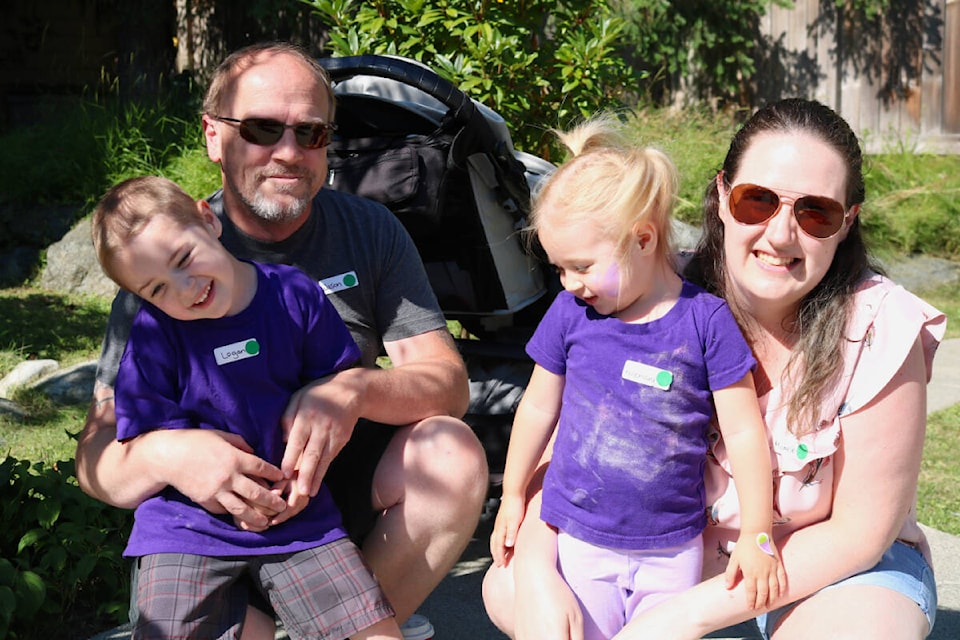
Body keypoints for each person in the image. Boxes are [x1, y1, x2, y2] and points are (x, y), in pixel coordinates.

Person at [482, 98, 946, 640]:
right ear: (724, 195)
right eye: (758, 201)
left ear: (846, 223)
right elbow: (572, 454)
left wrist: (682, 616)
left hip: (824, 573)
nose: (779, 234)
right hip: (670, 560)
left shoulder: (879, 327)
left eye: (815, 212)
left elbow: (861, 533)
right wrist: (538, 568)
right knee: (513, 586)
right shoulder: (644, 294)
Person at [75, 41, 488, 639]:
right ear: (213, 135)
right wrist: (168, 454)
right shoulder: (159, 264)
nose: (288, 152)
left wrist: (352, 391)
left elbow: (447, 386)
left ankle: (346, 614)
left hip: (321, 497)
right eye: (264, 129)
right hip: (211, 520)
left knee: (450, 453)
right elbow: (96, 459)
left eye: (311, 132)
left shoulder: (368, 231)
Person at [488, 117, 783, 639]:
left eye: (580, 266)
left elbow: (744, 433)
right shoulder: (569, 313)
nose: (569, 283)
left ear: (642, 238)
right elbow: (536, 408)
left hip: (670, 549)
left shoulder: (706, 321)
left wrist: (759, 533)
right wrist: (512, 493)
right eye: (559, 268)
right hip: (582, 538)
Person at [89, 175, 402, 639]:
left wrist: (312, 456)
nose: (184, 288)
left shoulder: (293, 293)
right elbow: (149, 440)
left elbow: (336, 386)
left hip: (296, 511)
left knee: (375, 633)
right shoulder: (154, 333)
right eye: (156, 289)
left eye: (183, 258)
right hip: (185, 525)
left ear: (207, 219)